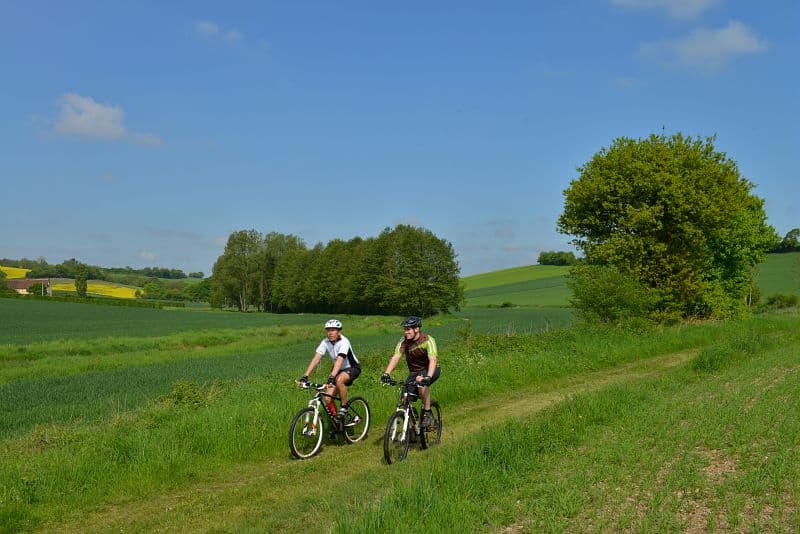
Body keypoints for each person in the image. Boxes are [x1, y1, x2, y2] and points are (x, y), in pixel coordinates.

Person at [297, 319, 362, 425]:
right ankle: (338, 424)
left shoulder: (344, 342)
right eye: (328, 330)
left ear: (339, 331)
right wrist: (305, 376)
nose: (330, 333)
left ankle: (344, 407)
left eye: (333, 330)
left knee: (339, 380)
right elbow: (316, 358)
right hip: (338, 370)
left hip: (353, 368)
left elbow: (340, 360)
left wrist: (332, 377)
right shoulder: (325, 342)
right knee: (328, 399)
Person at [381, 315, 441, 428]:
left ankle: (427, 413)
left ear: (416, 329)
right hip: (415, 371)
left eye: (408, 329)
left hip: (431, 368)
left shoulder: (427, 340)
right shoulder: (404, 341)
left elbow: (433, 360)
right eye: (405, 329)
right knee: (405, 397)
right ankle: (412, 427)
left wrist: (428, 377)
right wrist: (386, 373)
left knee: (421, 384)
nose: (406, 332)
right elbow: (396, 357)